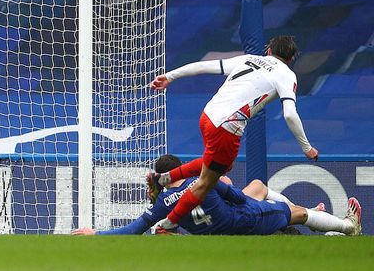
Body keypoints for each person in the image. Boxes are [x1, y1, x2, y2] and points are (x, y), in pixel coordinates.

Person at [147, 36, 319, 231]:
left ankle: (162, 179)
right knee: (205, 184)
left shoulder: (248, 59)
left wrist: (169, 77)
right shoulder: (286, 74)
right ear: (290, 59)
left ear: (269, 51)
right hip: (227, 127)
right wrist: (307, 147)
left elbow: (202, 66)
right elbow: (289, 114)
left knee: (218, 165)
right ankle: (168, 225)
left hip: (207, 117)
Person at [72, 155, 362, 236]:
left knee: (261, 190)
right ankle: (348, 227)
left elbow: (133, 230)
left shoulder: (160, 204)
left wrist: (94, 233)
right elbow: (236, 196)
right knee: (296, 213)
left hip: (215, 233)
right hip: (243, 220)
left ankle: (306, 217)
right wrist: (263, 208)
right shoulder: (202, 182)